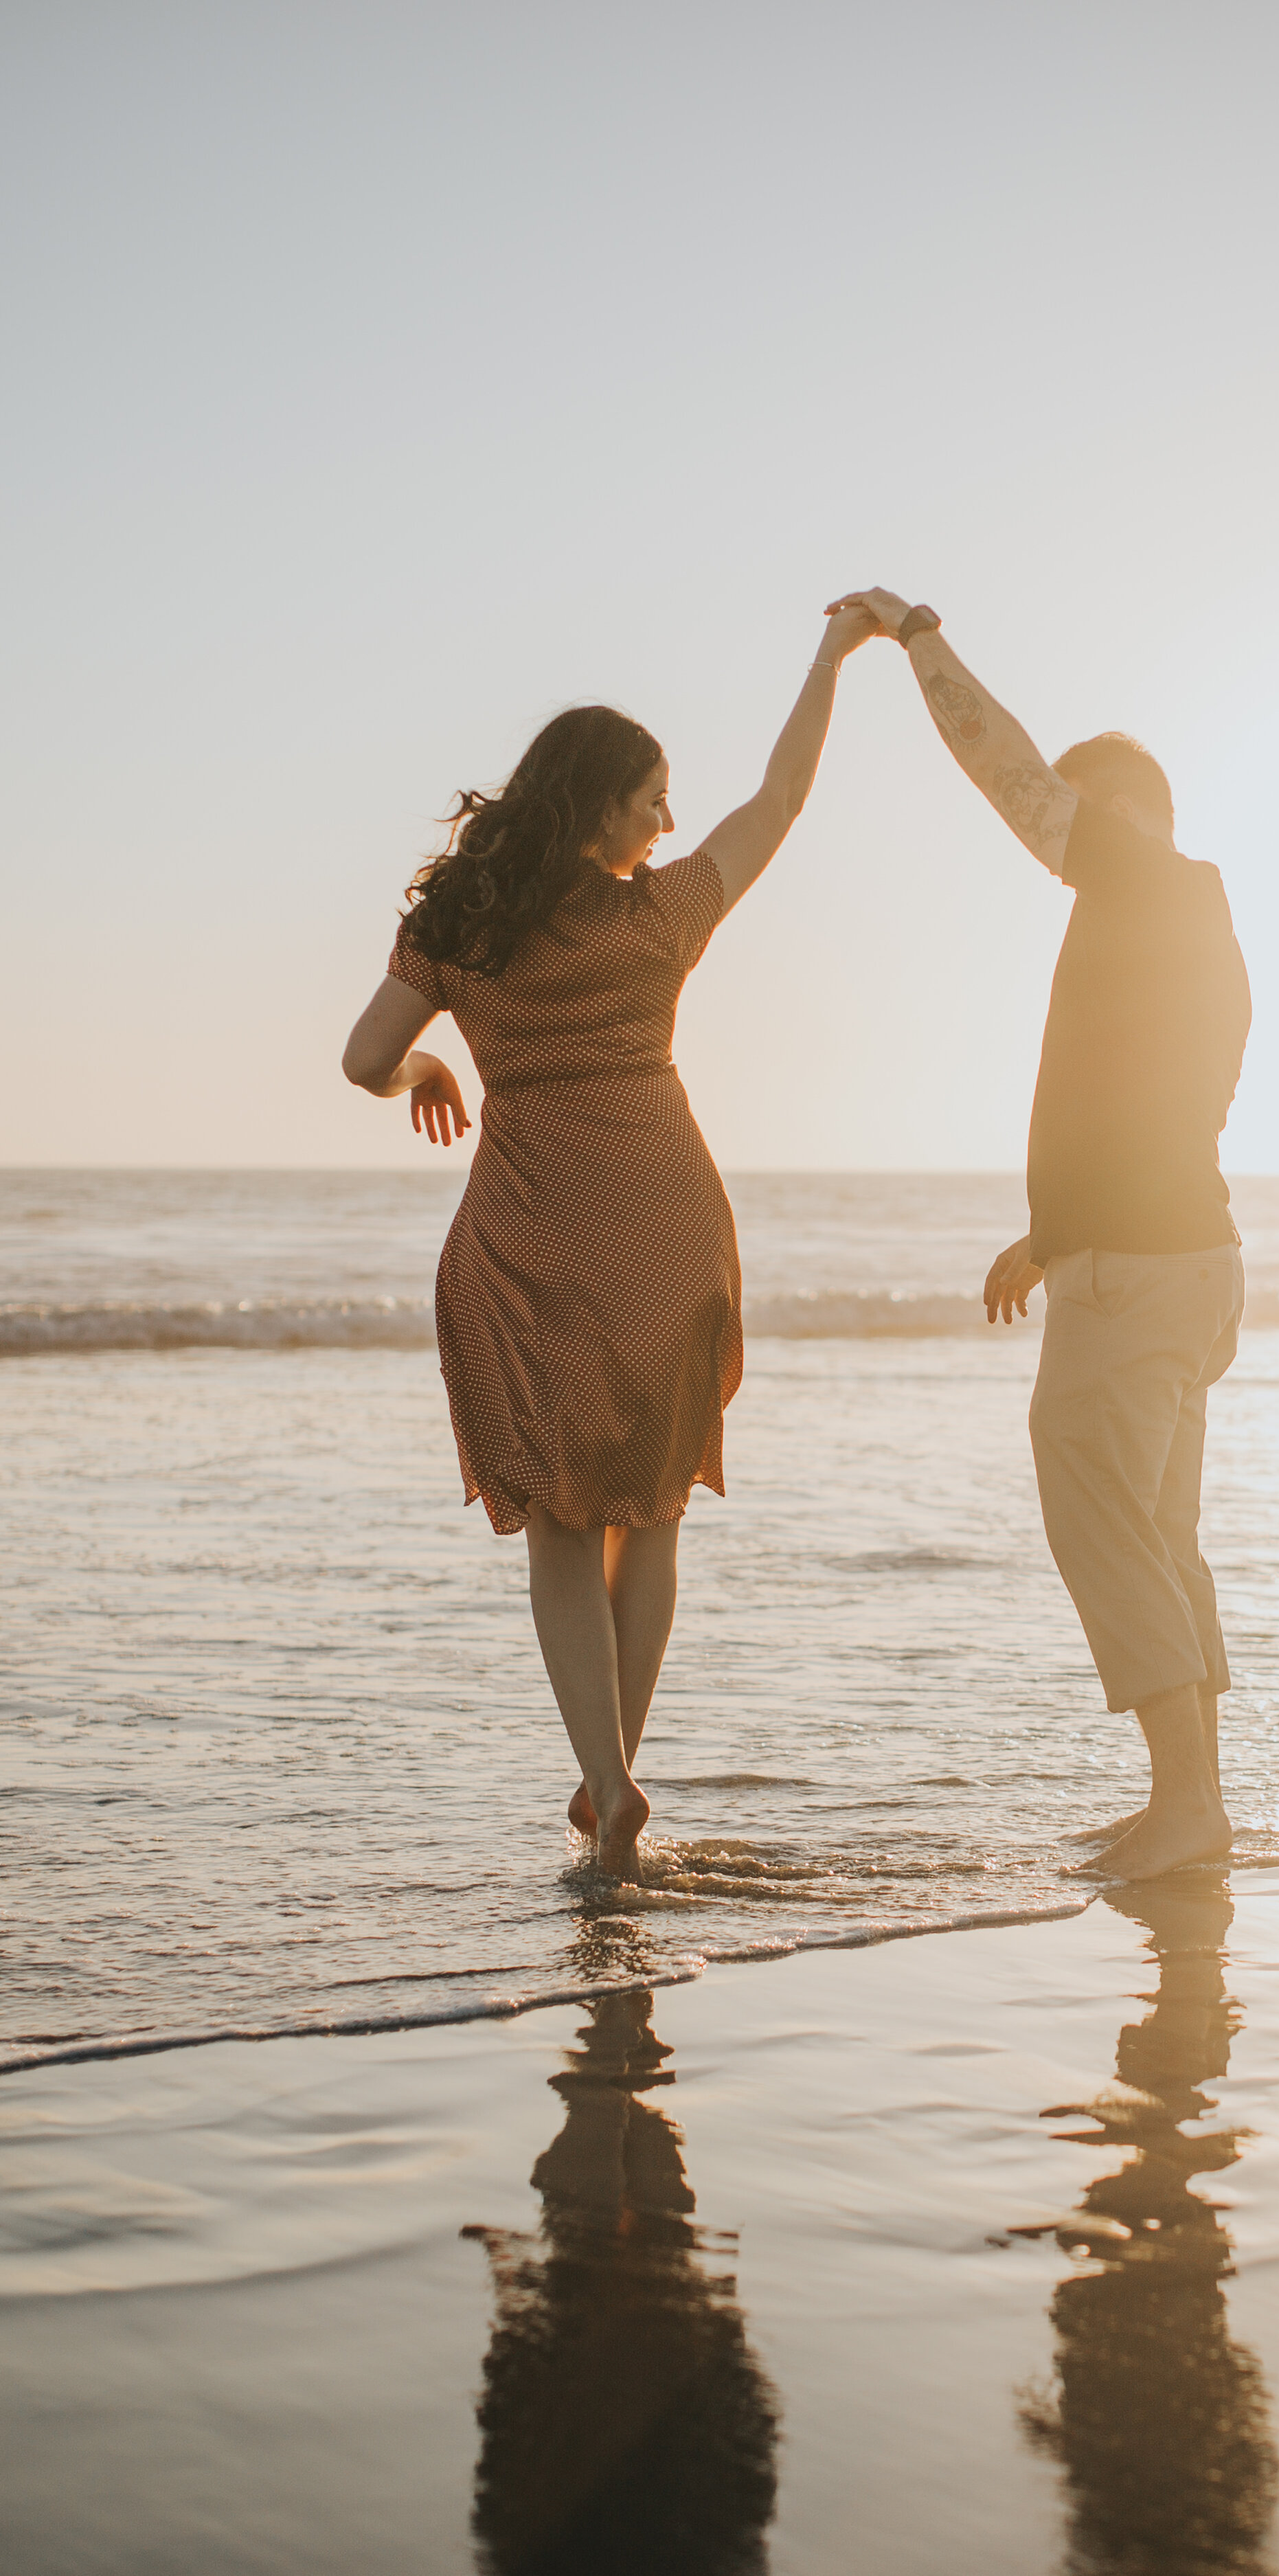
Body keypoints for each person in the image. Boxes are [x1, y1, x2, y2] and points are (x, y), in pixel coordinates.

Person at [342, 603, 881, 1875]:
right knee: (656, 1512)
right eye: (652, 800)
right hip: (667, 1233)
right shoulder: (660, 922)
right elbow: (785, 796)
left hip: (531, 1237)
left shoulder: (463, 927)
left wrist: (426, 1059)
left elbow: (363, 1056)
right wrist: (833, 654)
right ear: (599, 807)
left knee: (562, 1526)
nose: (669, 825)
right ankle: (614, 1788)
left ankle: (608, 1783)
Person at [830, 588, 1251, 1880]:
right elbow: (1140, 1117)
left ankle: (1185, 1805)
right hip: (1180, 1260)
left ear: (1120, 812)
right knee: (1158, 1529)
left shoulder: (1140, 870)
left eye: (1077, 819)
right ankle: (1195, 1804)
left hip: (1137, 1276)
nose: (1056, 848)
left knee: (1103, 1520)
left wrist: (917, 639)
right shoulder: (1196, 924)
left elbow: (1004, 770)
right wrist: (1046, 1235)